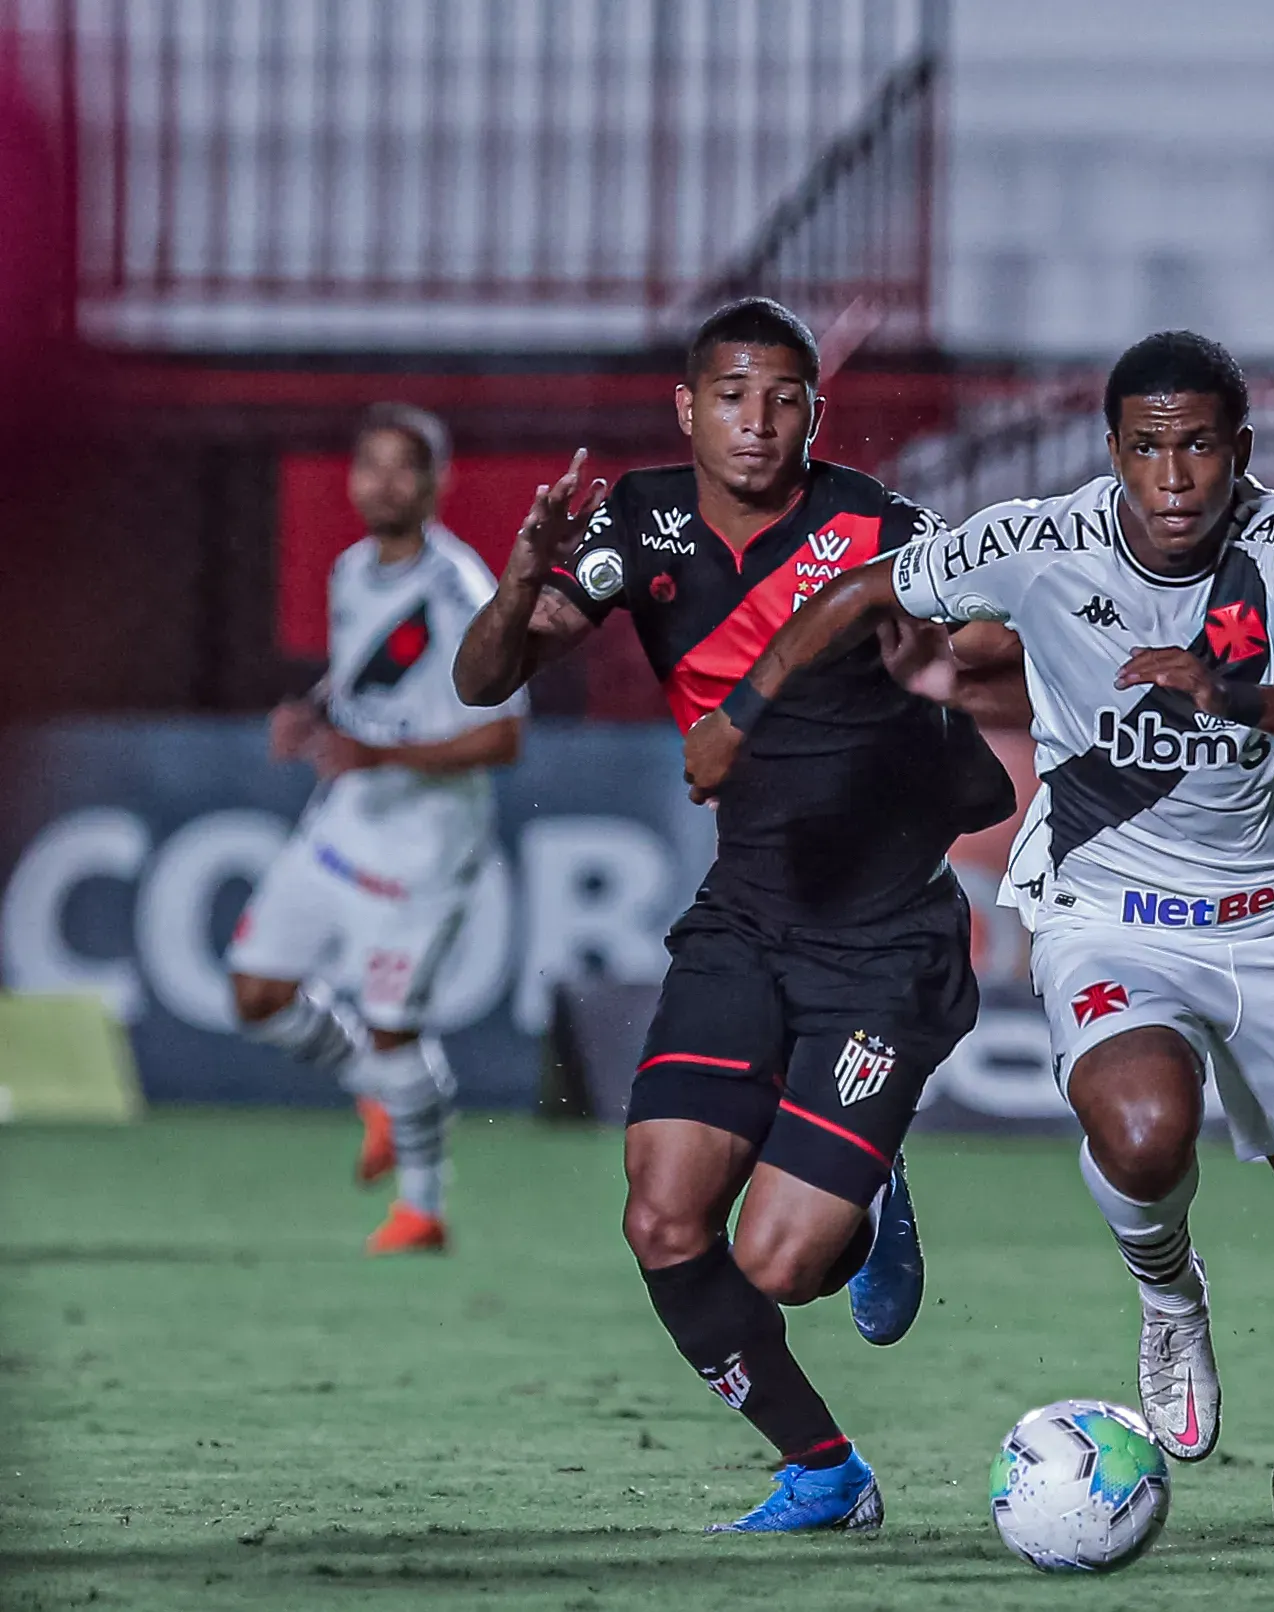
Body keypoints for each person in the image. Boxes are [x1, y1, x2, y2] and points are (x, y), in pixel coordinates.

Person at [685, 331, 1274, 1549]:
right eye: (1148, 448)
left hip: (1273, 914)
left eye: (1199, 447)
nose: (1173, 477)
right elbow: (861, 593)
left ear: (1240, 449)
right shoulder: (1039, 538)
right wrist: (740, 714)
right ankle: (1168, 1292)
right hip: (1107, 906)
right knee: (1145, 1130)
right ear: (1113, 450)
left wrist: (1229, 691)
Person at [451, 298, 1022, 1535]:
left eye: (783, 400)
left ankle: (865, 1190)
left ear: (815, 412)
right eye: (730, 397)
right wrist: (522, 573)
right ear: (686, 409)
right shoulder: (640, 521)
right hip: (747, 920)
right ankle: (825, 1472)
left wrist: (951, 661)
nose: (756, 423)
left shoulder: (881, 526)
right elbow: (484, 676)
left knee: (783, 1262)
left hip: (886, 943)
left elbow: (999, 649)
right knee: (661, 1215)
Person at [229, 405, 525, 1256]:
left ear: (439, 482)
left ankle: (422, 1210)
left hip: (427, 845)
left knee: (394, 1025)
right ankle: (387, 1098)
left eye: (406, 468)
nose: (385, 484)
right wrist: (310, 711)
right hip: (346, 820)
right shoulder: (352, 570)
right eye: (372, 466)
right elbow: (362, 672)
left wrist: (378, 754)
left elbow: (504, 738)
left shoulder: (463, 594)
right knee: (256, 994)